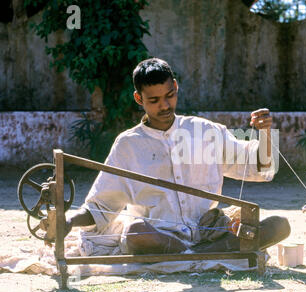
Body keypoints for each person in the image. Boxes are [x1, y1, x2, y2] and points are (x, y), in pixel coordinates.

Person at [63, 57, 290, 255]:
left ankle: (199, 253)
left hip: (209, 231)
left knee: (280, 225)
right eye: (154, 100)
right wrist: (68, 221)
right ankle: (207, 253)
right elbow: (100, 206)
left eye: (169, 96)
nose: (164, 106)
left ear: (176, 87)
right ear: (139, 99)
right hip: (159, 237)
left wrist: (265, 133)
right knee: (135, 233)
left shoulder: (206, 132)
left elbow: (262, 169)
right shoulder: (128, 145)